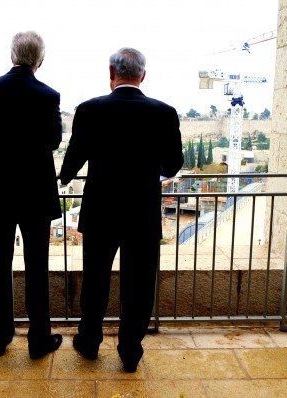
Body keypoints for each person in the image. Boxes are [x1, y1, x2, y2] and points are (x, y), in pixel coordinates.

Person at [59, 47, 183, 372]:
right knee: (139, 287)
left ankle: (88, 343)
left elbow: (72, 161)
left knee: (96, 281)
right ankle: (130, 352)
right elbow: (173, 165)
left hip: (100, 211)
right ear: (143, 75)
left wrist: (63, 177)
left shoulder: (88, 110)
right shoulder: (164, 112)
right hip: (142, 214)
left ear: (111, 73)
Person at [0, 31, 63, 359]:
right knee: (36, 268)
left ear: (12, 55)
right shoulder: (48, 96)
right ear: (40, 60)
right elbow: (53, 141)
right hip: (36, 193)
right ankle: (38, 340)